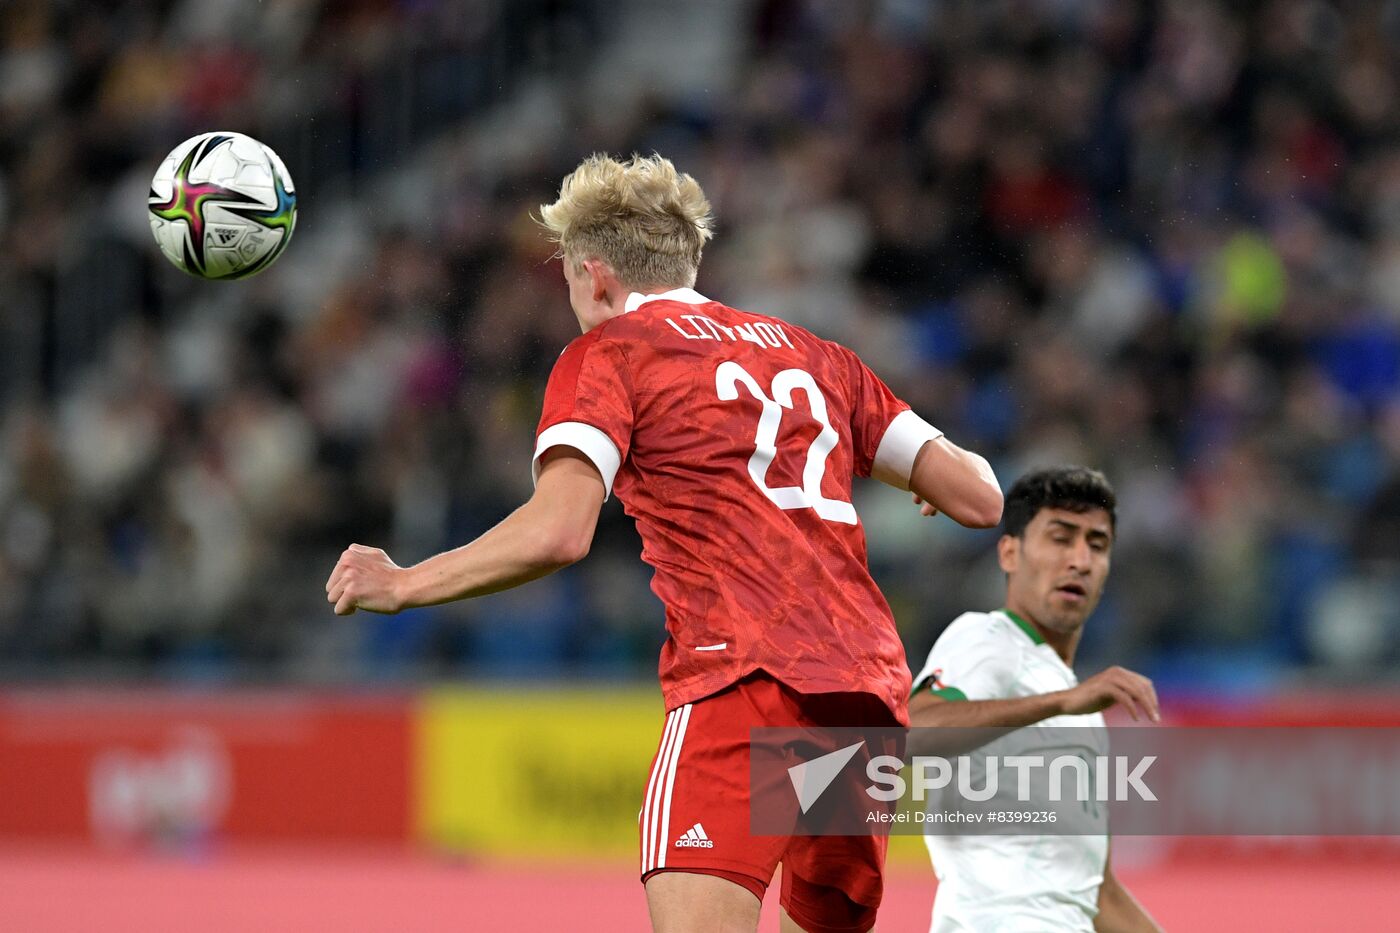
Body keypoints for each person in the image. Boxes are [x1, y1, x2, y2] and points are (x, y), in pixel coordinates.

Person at [324, 153, 1003, 933]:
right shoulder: (818, 356)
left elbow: (559, 532)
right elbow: (980, 496)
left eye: (571, 284)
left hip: (744, 678)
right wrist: (920, 479)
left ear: (596, 274)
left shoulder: (611, 353)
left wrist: (406, 583)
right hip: (866, 692)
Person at [909, 466, 1162, 932]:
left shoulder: (1077, 704)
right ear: (1009, 553)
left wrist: (1066, 701)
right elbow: (912, 733)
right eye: (1061, 538)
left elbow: (1096, 892)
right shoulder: (988, 638)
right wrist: (1061, 702)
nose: (1080, 560)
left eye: (1097, 544)